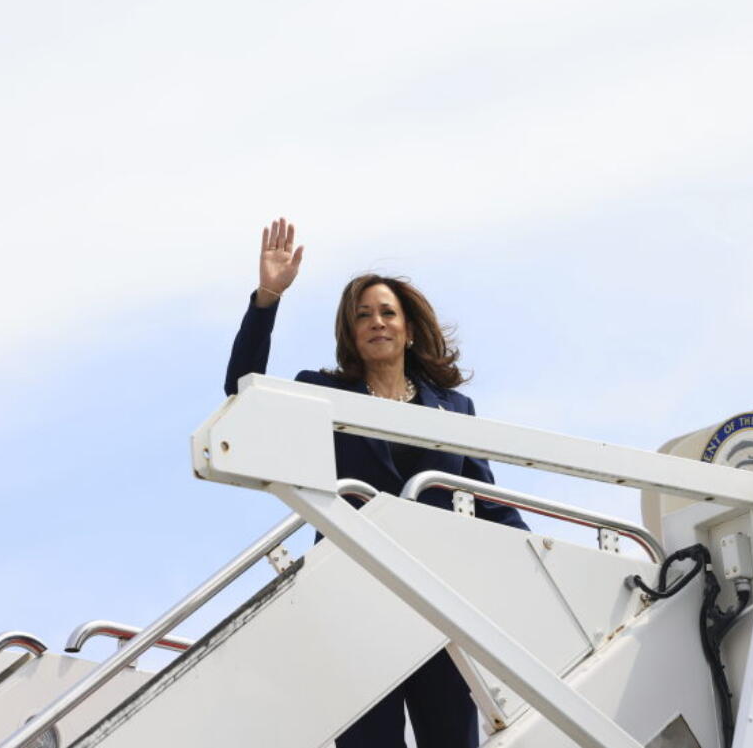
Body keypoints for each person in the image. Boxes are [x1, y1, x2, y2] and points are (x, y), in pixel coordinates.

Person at [224, 218, 528, 748]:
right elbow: (241, 392)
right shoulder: (321, 394)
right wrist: (267, 299)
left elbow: (486, 503)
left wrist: (536, 560)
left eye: (388, 312)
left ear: (409, 328)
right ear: (351, 334)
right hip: (353, 595)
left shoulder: (454, 409)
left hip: (438, 599)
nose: (377, 322)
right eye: (363, 316)